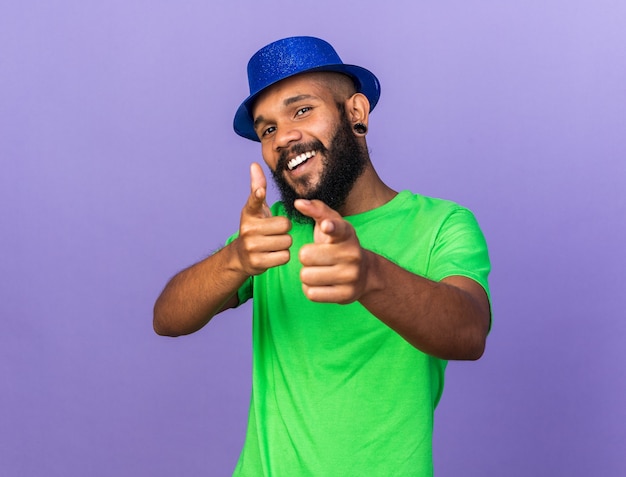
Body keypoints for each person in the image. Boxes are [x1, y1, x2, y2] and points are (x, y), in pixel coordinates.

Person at [153, 36, 491, 477]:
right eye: (267, 129)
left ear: (356, 113)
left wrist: (370, 275)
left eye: (302, 110)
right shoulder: (271, 231)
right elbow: (168, 319)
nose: (284, 137)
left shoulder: (442, 224)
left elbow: (468, 333)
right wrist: (236, 258)